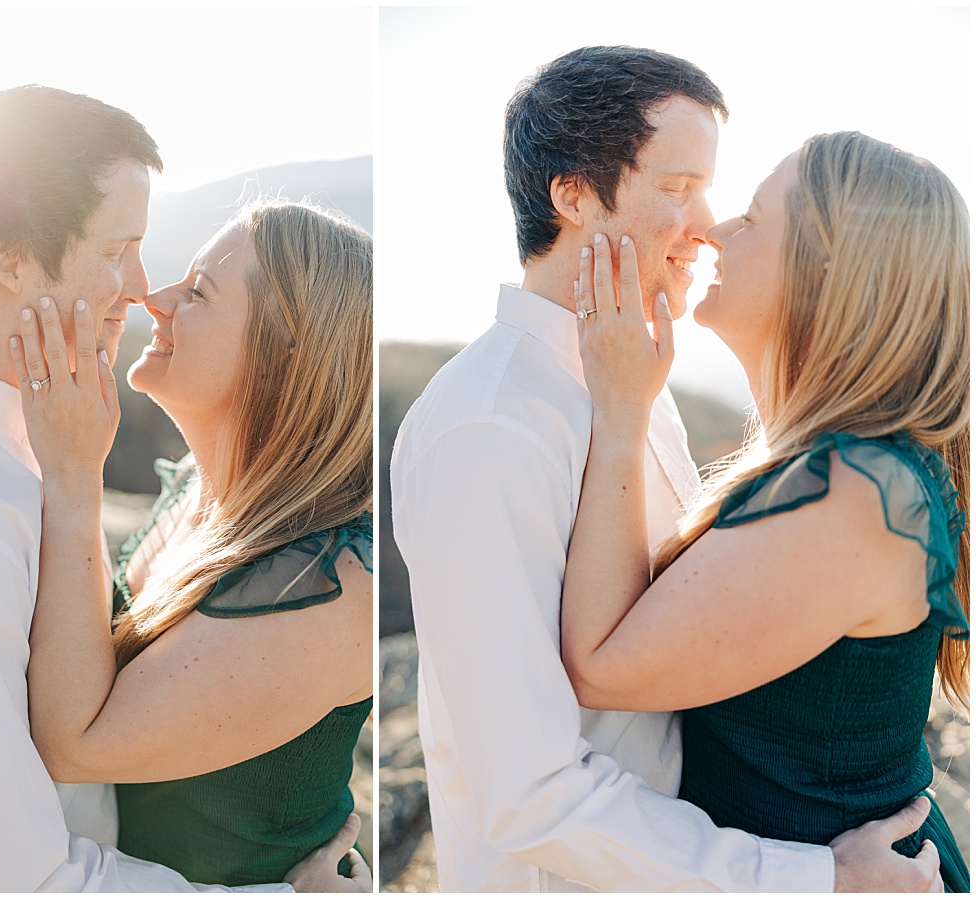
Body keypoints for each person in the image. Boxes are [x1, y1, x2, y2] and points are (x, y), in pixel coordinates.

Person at [390, 46, 943, 891]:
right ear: (572, 193)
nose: (707, 226)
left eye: (717, 195)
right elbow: (528, 792)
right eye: (679, 189)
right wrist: (809, 875)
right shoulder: (486, 426)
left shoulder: (632, 382)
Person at [0, 85, 361, 892]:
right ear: (11, 261)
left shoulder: (22, 437)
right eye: (116, 250)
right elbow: (23, 881)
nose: (140, 288)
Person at [561, 131, 969, 891]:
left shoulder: (853, 493)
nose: (714, 232)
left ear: (824, 269)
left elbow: (600, 662)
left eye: (750, 219)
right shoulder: (853, 471)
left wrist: (621, 413)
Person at [8, 199, 374, 888]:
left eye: (199, 291)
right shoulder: (194, 492)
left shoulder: (329, 584)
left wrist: (74, 474)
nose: (156, 298)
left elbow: (73, 742)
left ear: (283, 345)